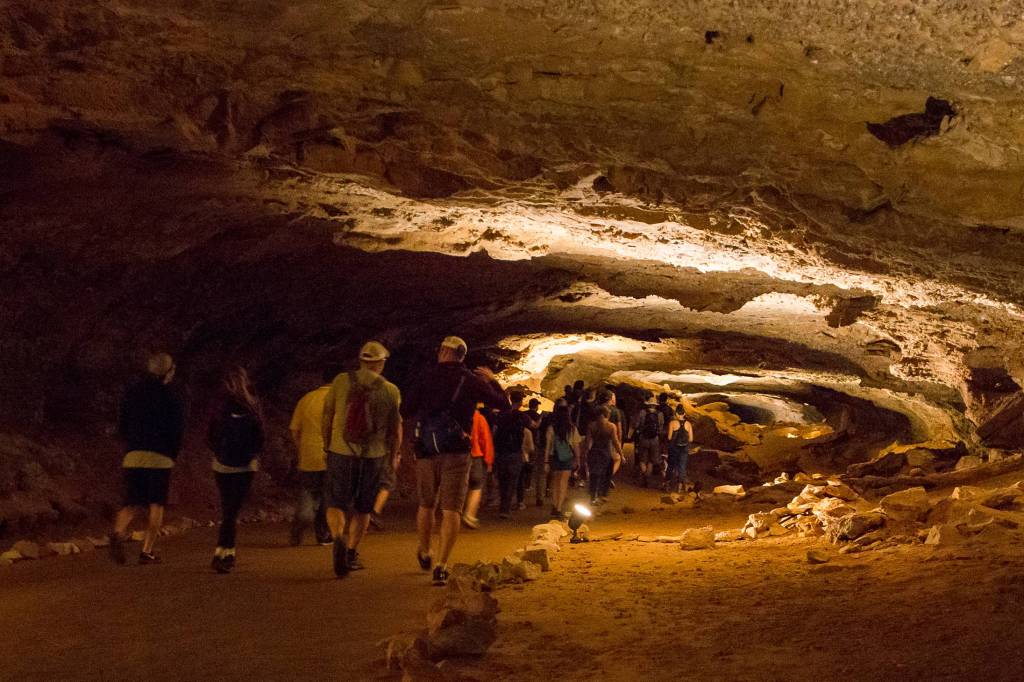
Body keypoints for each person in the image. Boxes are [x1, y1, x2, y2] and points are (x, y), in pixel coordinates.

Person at [406, 336, 509, 586]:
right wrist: (493, 380)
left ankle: (425, 550)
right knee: (451, 509)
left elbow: (407, 408)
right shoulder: (470, 380)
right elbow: (503, 404)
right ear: (462, 355)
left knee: (426, 504)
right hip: (457, 451)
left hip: (427, 450)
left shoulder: (425, 375)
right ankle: (441, 566)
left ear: (443, 351)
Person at [321, 341, 402, 578]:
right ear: (380, 363)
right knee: (364, 508)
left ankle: (337, 536)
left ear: (361, 360)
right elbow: (394, 429)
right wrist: (393, 455)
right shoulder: (390, 390)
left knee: (335, 503)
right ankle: (351, 552)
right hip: (373, 456)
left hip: (341, 451)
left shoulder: (340, 381)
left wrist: (327, 444)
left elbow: (328, 415)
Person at [109, 353, 185, 566]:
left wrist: (130, 443)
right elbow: (176, 430)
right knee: (156, 503)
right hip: (160, 456)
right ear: (168, 372)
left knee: (131, 501)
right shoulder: (171, 397)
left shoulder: (132, 393)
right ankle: (147, 550)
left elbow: (122, 423)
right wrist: (173, 452)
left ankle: (117, 532)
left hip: (134, 453)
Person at [207, 366, 264, 574]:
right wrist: (252, 454)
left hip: (222, 465)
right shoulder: (252, 405)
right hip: (245, 466)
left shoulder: (219, 406)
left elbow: (210, 435)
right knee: (232, 510)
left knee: (227, 508)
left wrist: (219, 452)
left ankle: (224, 550)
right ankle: (225, 552)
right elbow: (260, 437)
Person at [288, 367, 336, 546]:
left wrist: (301, 448)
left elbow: (294, 430)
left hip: (308, 455)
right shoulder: (339, 400)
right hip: (332, 456)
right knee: (328, 496)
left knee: (308, 491)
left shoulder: (306, 399)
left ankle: (303, 517)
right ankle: (322, 533)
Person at [494, 390, 533, 519]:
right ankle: (505, 508)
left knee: (502, 480)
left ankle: (502, 506)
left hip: (501, 452)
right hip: (515, 452)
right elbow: (534, 425)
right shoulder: (522, 416)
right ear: (521, 402)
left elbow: (495, 430)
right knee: (511, 481)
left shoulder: (501, 415)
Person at [543, 399, 580, 518]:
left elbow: (548, 446)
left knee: (555, 482)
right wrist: (578, 460)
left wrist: (546, 461)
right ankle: (559, 507)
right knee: (563, 483)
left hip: (555, 457)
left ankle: (554, 505)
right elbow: (576, 445)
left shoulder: (552, 428)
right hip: (567, 457)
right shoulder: (572, 428)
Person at [462, 404, 494, 530]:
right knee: (476, 487)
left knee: (460, 487)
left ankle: (453, 514)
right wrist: (489, 461)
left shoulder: (456, 416)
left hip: (457, 457)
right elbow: (486, 440)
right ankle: (469, 514)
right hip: (475, 456)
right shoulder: (479, 418)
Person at [582, 406, 622, 506]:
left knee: (594, 475)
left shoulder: (592, 426)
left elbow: (588, 441)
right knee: (606, 474)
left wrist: (586, 453)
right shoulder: (611, 426)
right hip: (605, 452)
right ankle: (602, 494)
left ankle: (593, 497)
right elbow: (615, 441)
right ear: (607, 415)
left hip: (594, 451)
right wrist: (621, 454)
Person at [518, 398, 544, 509]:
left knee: (524, 464)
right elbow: (537, 426)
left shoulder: (523, 414)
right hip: (532, 441)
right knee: (530, 464)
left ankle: (524, 483)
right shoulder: (537, 416)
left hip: (521, 441)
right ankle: (527, 483)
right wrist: (542, 417)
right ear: (536, 406)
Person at [597, 389, 624, 497]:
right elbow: (619, 428)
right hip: (611, 438)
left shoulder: (597, 408)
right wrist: (620, 441)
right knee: (616, 458)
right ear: (610, 399)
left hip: (597, 437)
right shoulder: (615, 411)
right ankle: (606, 477)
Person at [666, 404, 694, 493]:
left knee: (671, 466)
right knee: (682, 467)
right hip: (684, 449)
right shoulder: (688, 424)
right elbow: (691, 439)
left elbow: (669, 437)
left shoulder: (672, 423)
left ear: (676, 414)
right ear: (684, 413)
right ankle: (679, 488)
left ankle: (667, 485)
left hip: (674, 448)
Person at [634, 401, 663, 488]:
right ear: (655, 405)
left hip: (643, 438)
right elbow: (661, 427)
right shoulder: (660, 414)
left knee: (642, 460)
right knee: (651, 461)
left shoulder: (642, 412)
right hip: (655, 439)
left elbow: (636, 425)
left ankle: (644, 478)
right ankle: (647, 478)